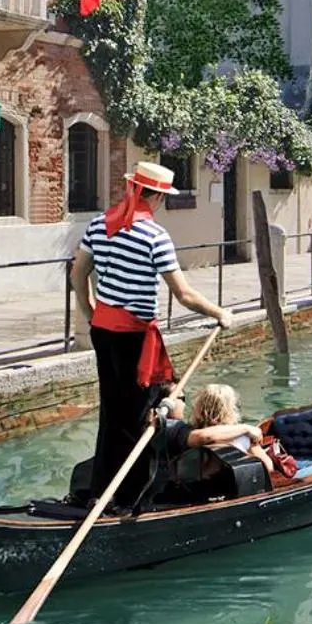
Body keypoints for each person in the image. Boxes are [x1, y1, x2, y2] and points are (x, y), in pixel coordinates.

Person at [70, 160, 233, 505]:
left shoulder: (99, 225)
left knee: (113, 412)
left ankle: (103, 491)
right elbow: (184, 294)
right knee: (139, 418)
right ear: (156, 197)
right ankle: (131, 499)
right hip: (134, 338)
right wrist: (219, 313)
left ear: (133, 189)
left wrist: (91, 313)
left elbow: (78, 274)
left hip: (104, 331)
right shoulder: (155, 236)